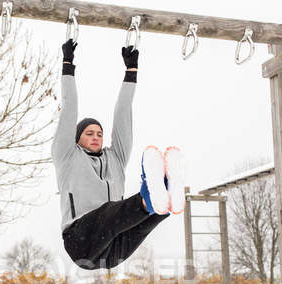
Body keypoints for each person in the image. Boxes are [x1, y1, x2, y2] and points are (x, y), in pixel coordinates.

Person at [53, 39, 185, 270]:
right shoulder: (67, 156)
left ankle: (166, 193)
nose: (96, 137)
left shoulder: (115, 159)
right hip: (81, 243)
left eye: (99, 134)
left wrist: (131, 71)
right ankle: (149, 197)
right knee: (111, 212)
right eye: (89, 133)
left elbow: (123, 113)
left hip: (113, 250)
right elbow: (70, 106)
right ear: (76, 138)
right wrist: (68, 64)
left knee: (149, 218)